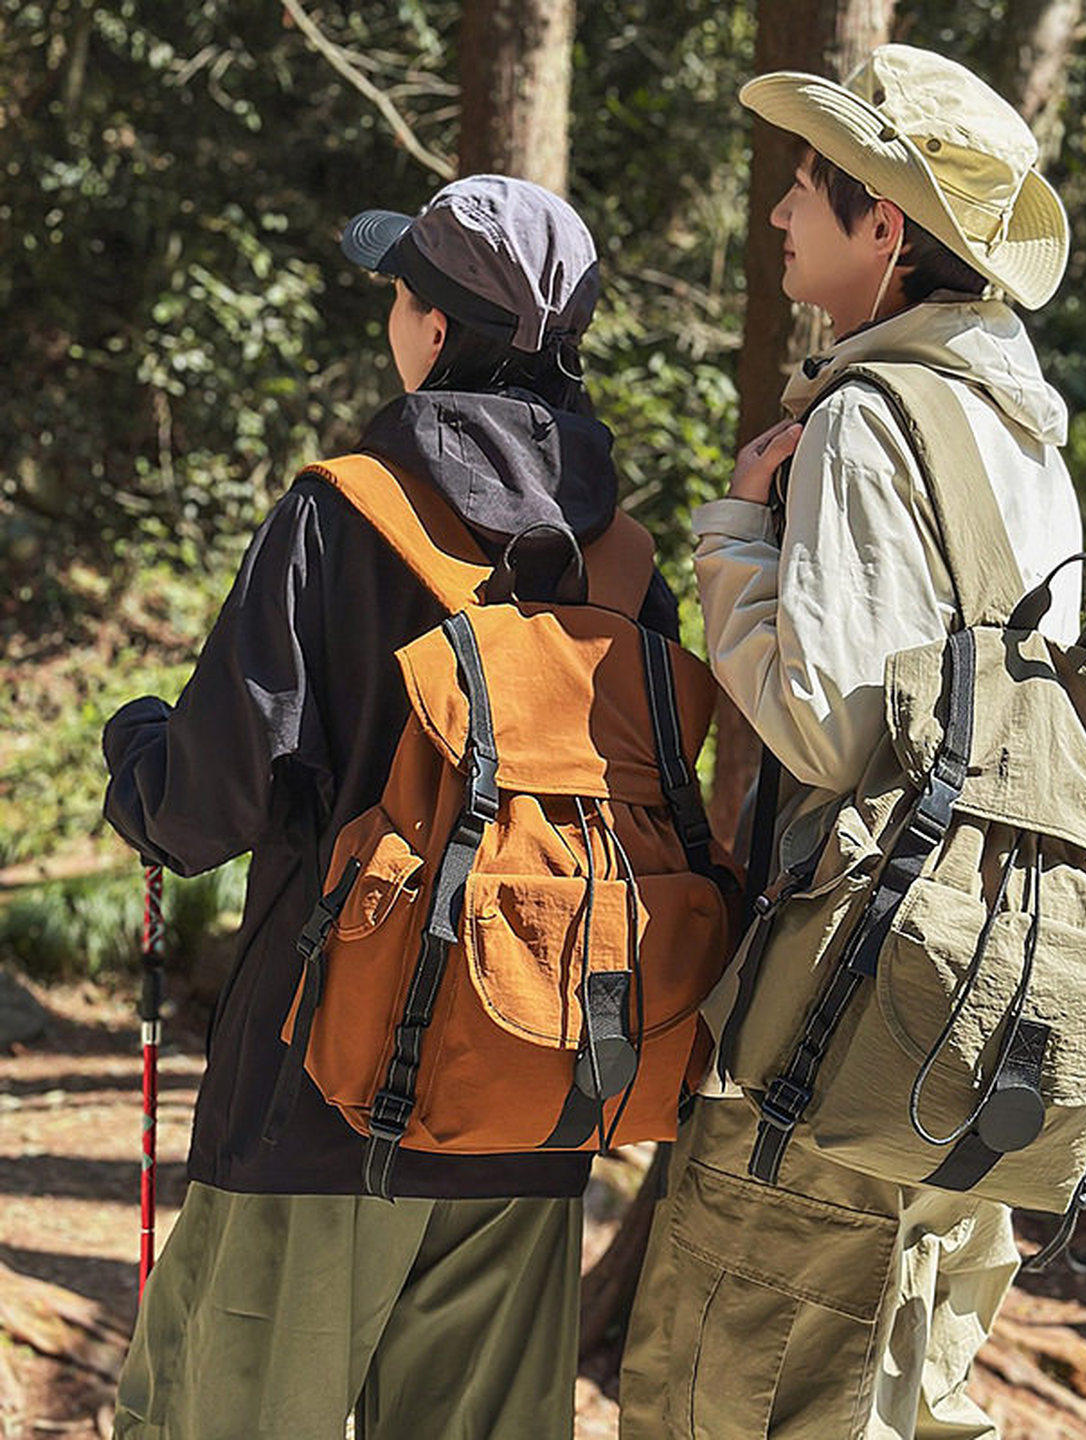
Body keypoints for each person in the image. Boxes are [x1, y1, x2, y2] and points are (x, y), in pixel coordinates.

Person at [103, 174, 679, 1440]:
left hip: (317, 1101)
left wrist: (137, 756)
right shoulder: (623, 566)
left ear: (434, 327)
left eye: (400, 293)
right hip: (533, 1103)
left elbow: (203, 802)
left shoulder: (340, 515)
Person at [619, 45, 1083, 1440]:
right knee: (904, 1386)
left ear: (885, 225)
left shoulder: (871, 422)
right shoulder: (1025, 437)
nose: (777, 213)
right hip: (993, 990)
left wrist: (732, 541)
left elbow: (828, 727)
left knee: (732, 1393)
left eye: (806, 187)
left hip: (851, 1002)